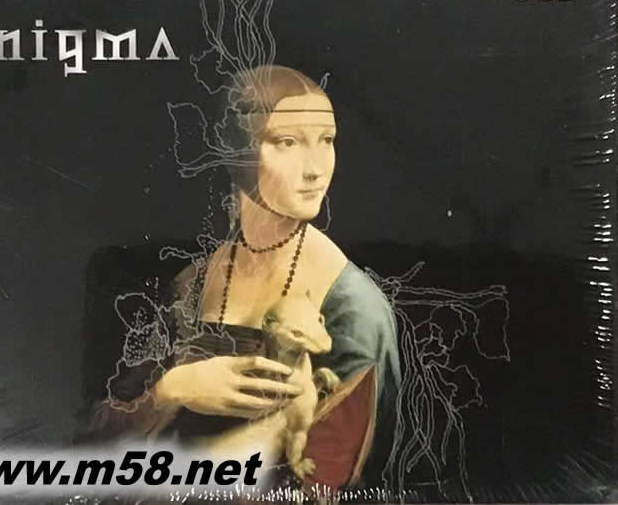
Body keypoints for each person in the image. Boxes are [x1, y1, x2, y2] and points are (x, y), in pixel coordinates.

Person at [81, 65, 401, 493]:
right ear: (236, 151)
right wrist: (172, 390)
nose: (315, 169)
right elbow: (98, 445)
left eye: (327, 140)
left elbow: (330, 478)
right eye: (287, 142)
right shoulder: (191, 284)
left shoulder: (354, 308)